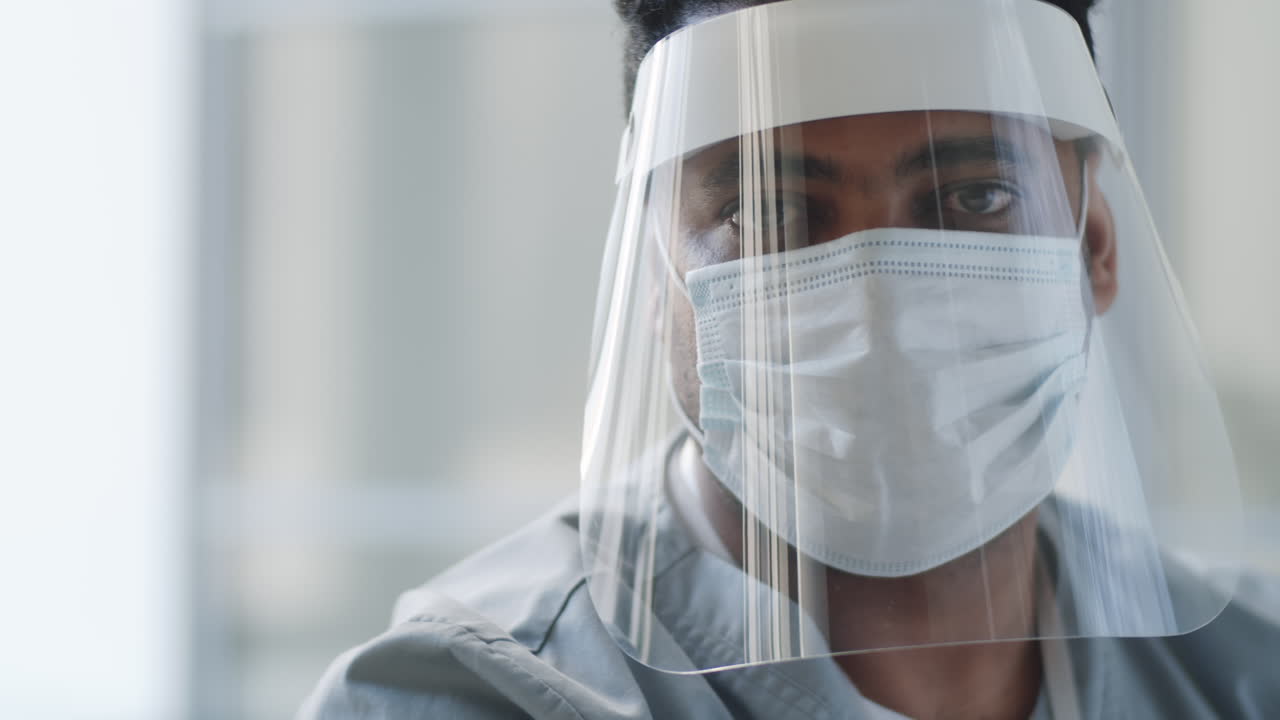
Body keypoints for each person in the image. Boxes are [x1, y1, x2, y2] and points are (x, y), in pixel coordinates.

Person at [299, 1, 1280, 718]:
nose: (875, 311)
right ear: (658, 284)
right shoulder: (473, 697)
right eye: (767, 212)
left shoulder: (1247, 670)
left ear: (1095, 243)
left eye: (973, 196)